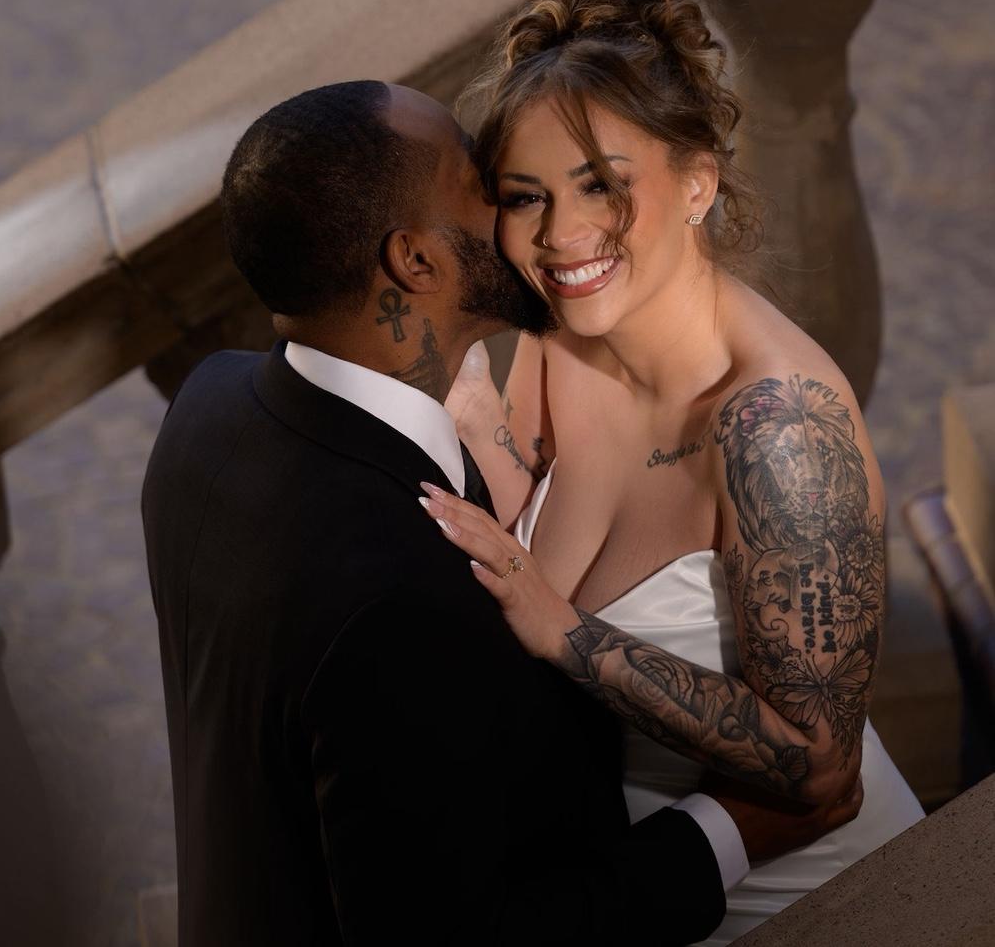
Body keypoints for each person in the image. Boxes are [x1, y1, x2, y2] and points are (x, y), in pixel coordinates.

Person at [141, 79, 860, 946]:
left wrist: (479, 422)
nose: (525, 212)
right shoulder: (398, 606)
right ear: (416, 263)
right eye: (482, 183)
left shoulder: (207, 408)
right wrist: (729, 835)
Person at [423, 0, 923, 943]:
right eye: (525, 196)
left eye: (601, 185)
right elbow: (521, 520)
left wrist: (565, 634)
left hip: (819, 904)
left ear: (697, 181)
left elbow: (820, 767)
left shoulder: (778, 427)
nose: (562, 235)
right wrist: (469, 413)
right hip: (639, 893)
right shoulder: (560, 335)